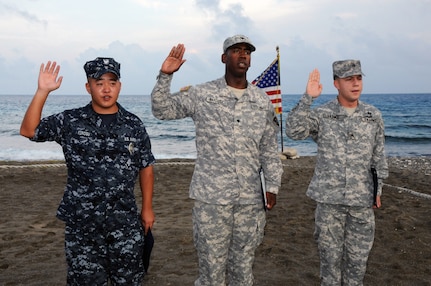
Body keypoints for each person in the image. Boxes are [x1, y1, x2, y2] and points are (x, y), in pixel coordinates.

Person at [151, 35, 283, 285]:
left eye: (247, 51)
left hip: (250, 200)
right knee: (211, 270)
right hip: (211, 200)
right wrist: (165, 75)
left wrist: (273, 185)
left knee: (243, 269)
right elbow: (162, 110)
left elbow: (268, 146)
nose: (242, 55)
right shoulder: (202, 94)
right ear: (224, 58)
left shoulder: (261, 100)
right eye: (236, 50)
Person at [20, 57, 155, 285]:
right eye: (99, 82)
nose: (106, 89)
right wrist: (43, 91)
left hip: (124, 222)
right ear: (88, 87)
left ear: (119, 86)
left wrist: (147, 209)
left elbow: (146, 166)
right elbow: (29, 130)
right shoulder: (71, 121)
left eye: (112, 83)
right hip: (83, 225)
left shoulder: (133, 124)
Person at [285, 60, 389, 285]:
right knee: (330, 268)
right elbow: (293, 131)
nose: (355, 84)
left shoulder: (373, 115)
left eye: (359, 78)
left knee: (357, 267)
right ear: (336, 83)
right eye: (349, 79)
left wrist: (378, 189)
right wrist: (308, 98)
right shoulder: (323, 114)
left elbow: (379, 156)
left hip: (361, 203)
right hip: (329, 203)